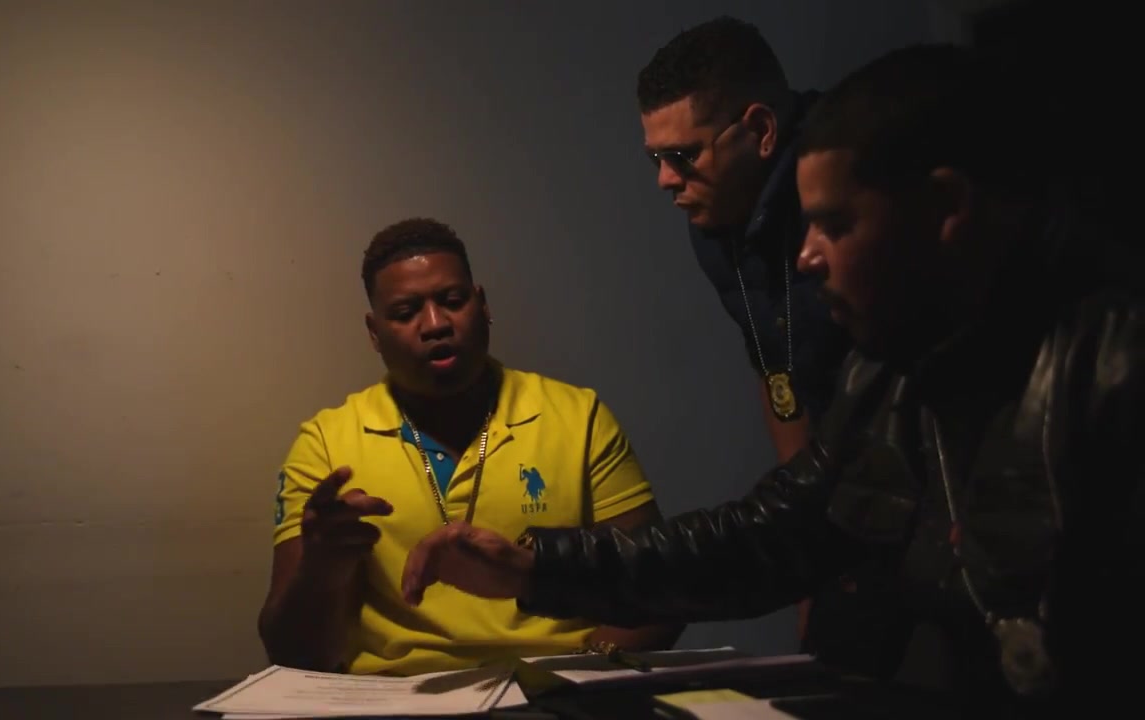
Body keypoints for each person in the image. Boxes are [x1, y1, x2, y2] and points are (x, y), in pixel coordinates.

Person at [400, 45, 1144, 714]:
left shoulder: (1111, 369)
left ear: (947, 209)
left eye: (836, 226)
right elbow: (768, 534)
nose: (807, 257)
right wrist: (535, 568)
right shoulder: (887, 378)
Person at [257, 217, 682, 676]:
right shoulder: (325, 444)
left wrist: (575, 677)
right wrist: (320, 568)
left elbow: (658, 591)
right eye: (406, 312)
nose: (435, 324)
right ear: (374, 332)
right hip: (398, 697)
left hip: (561, 686)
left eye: (453, 301)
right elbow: (292, 656)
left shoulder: (579, 417)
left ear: (482, 305)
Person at [635, 16, 898, 672]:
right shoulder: (713, 222)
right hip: (830, 492)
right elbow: (773, 367)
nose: (665, 180)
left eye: (682, 156)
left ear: (760, 131)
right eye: (654, 158)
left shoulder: (849, 169)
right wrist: (805, 547)